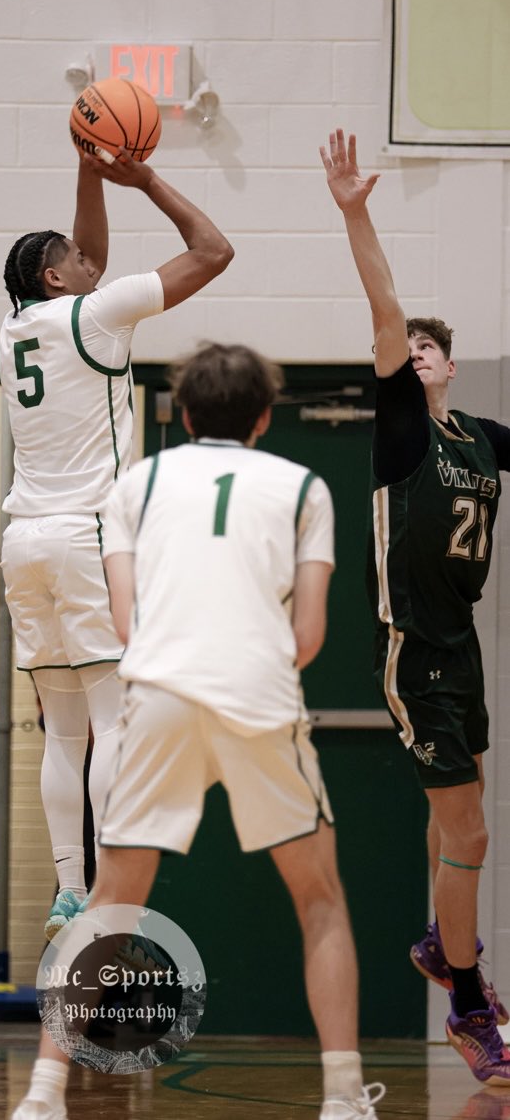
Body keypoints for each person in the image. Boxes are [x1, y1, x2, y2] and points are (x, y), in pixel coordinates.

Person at [11, 341, 386, 1120]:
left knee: (108, 905)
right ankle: (344, 1098)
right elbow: (308, 635)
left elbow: (126, 624)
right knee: (319, 900)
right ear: (263, 417)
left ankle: (43, 1095)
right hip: (257, 693)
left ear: (182, 415)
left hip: (160, 690)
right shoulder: (304, 487)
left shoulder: (136, 484)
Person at [0, 148, 233, 940]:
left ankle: (68, 890)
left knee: (63, 733)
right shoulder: (97, 315)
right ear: (56, 277)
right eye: (74, 257)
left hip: (23, 539)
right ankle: (105, 890)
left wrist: (88, 169)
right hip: (85, 534)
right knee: (110, 719)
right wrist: (146, 182)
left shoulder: (14, 327)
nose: (89, 258)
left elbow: (88, 258)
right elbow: (213, 251)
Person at [321, 129, 510, 1086]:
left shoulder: (480, 437)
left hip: (461, 642)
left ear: (453, 366)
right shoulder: (402, 430)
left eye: (434, 346)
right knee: (471, 831)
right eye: (411, 346)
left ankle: (444, 939)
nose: (419, 351)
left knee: (465, 808)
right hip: (414, 649)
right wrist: (356, 214)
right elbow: (385, 307)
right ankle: (468, 1004)